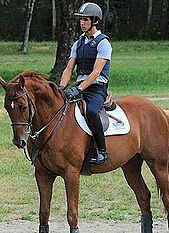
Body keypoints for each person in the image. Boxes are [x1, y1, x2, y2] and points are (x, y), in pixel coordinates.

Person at [59, 2, 111, 165]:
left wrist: (78, 88)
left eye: (85, 20)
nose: (82, 23)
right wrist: (61, 88)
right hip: (79, 88)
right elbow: (68, 69)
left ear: (95, 21)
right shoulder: (78, 43)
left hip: (96, 88)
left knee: (92, 112)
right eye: (81, 20)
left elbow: (96, 72)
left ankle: (101, 151)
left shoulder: (103, 43)